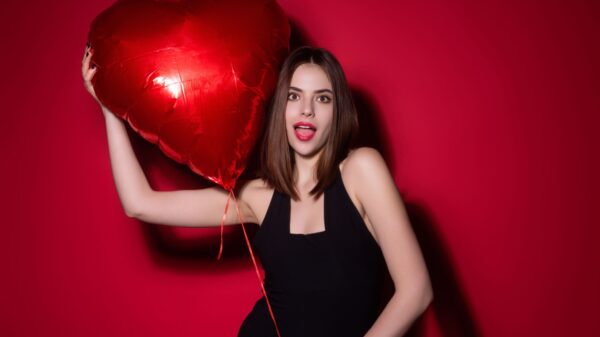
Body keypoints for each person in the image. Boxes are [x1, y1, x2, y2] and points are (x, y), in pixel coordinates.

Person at [82, 45, 433, 337]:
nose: (307, 110)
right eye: (294, 96)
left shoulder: (361, 169)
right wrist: (109, 109)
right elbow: (140, 204)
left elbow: (415, 290)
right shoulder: (258, 195)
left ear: (338, 112)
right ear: (281, 108)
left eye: (322, 98)